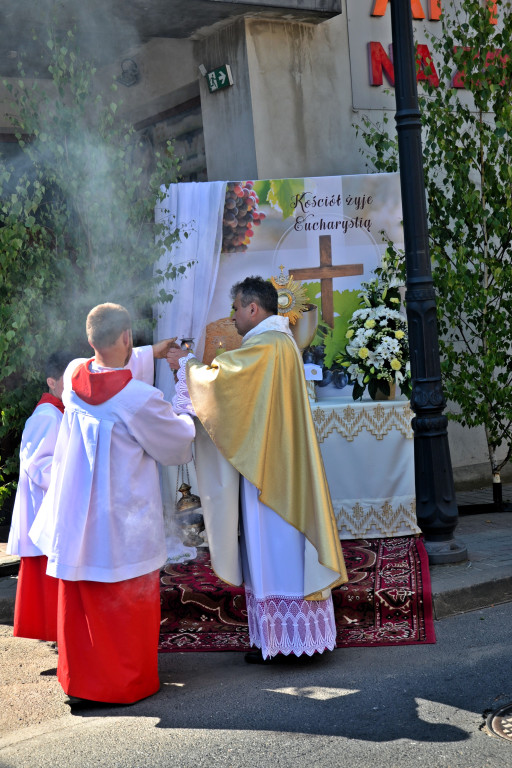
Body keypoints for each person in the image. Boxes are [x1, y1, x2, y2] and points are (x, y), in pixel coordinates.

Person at [167, 276, 347, 664]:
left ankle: (286, 644)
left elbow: (221, 384)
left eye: (236, 309)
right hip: (277, 464)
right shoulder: (278, 343)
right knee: (280, 548)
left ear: (253, 308)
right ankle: (288, 636)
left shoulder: (267, 345)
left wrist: (186, 365)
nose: (233, 318)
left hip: (271, 472)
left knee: (274, 548)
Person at [30, 303, 195, 707]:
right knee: (124, 598)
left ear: (89, 342)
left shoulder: (71, 378)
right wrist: (185, 391)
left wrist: (151, 351)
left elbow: (101, 364)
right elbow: (178, 443)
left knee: (81, 597)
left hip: (76, 518)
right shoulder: (138, 399)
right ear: (126, 337)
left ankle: (81, 684)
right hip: (121, 522)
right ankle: (121, 685)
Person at [7, 351, 72, 642]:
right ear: (52, 382)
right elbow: (37, 464)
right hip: (44, 509)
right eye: (67, 380)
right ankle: (57, 634)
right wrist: (73, 479)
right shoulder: (46, 414)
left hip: (51, 507)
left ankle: (60, 634)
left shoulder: (58, 412)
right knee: (47, 580)